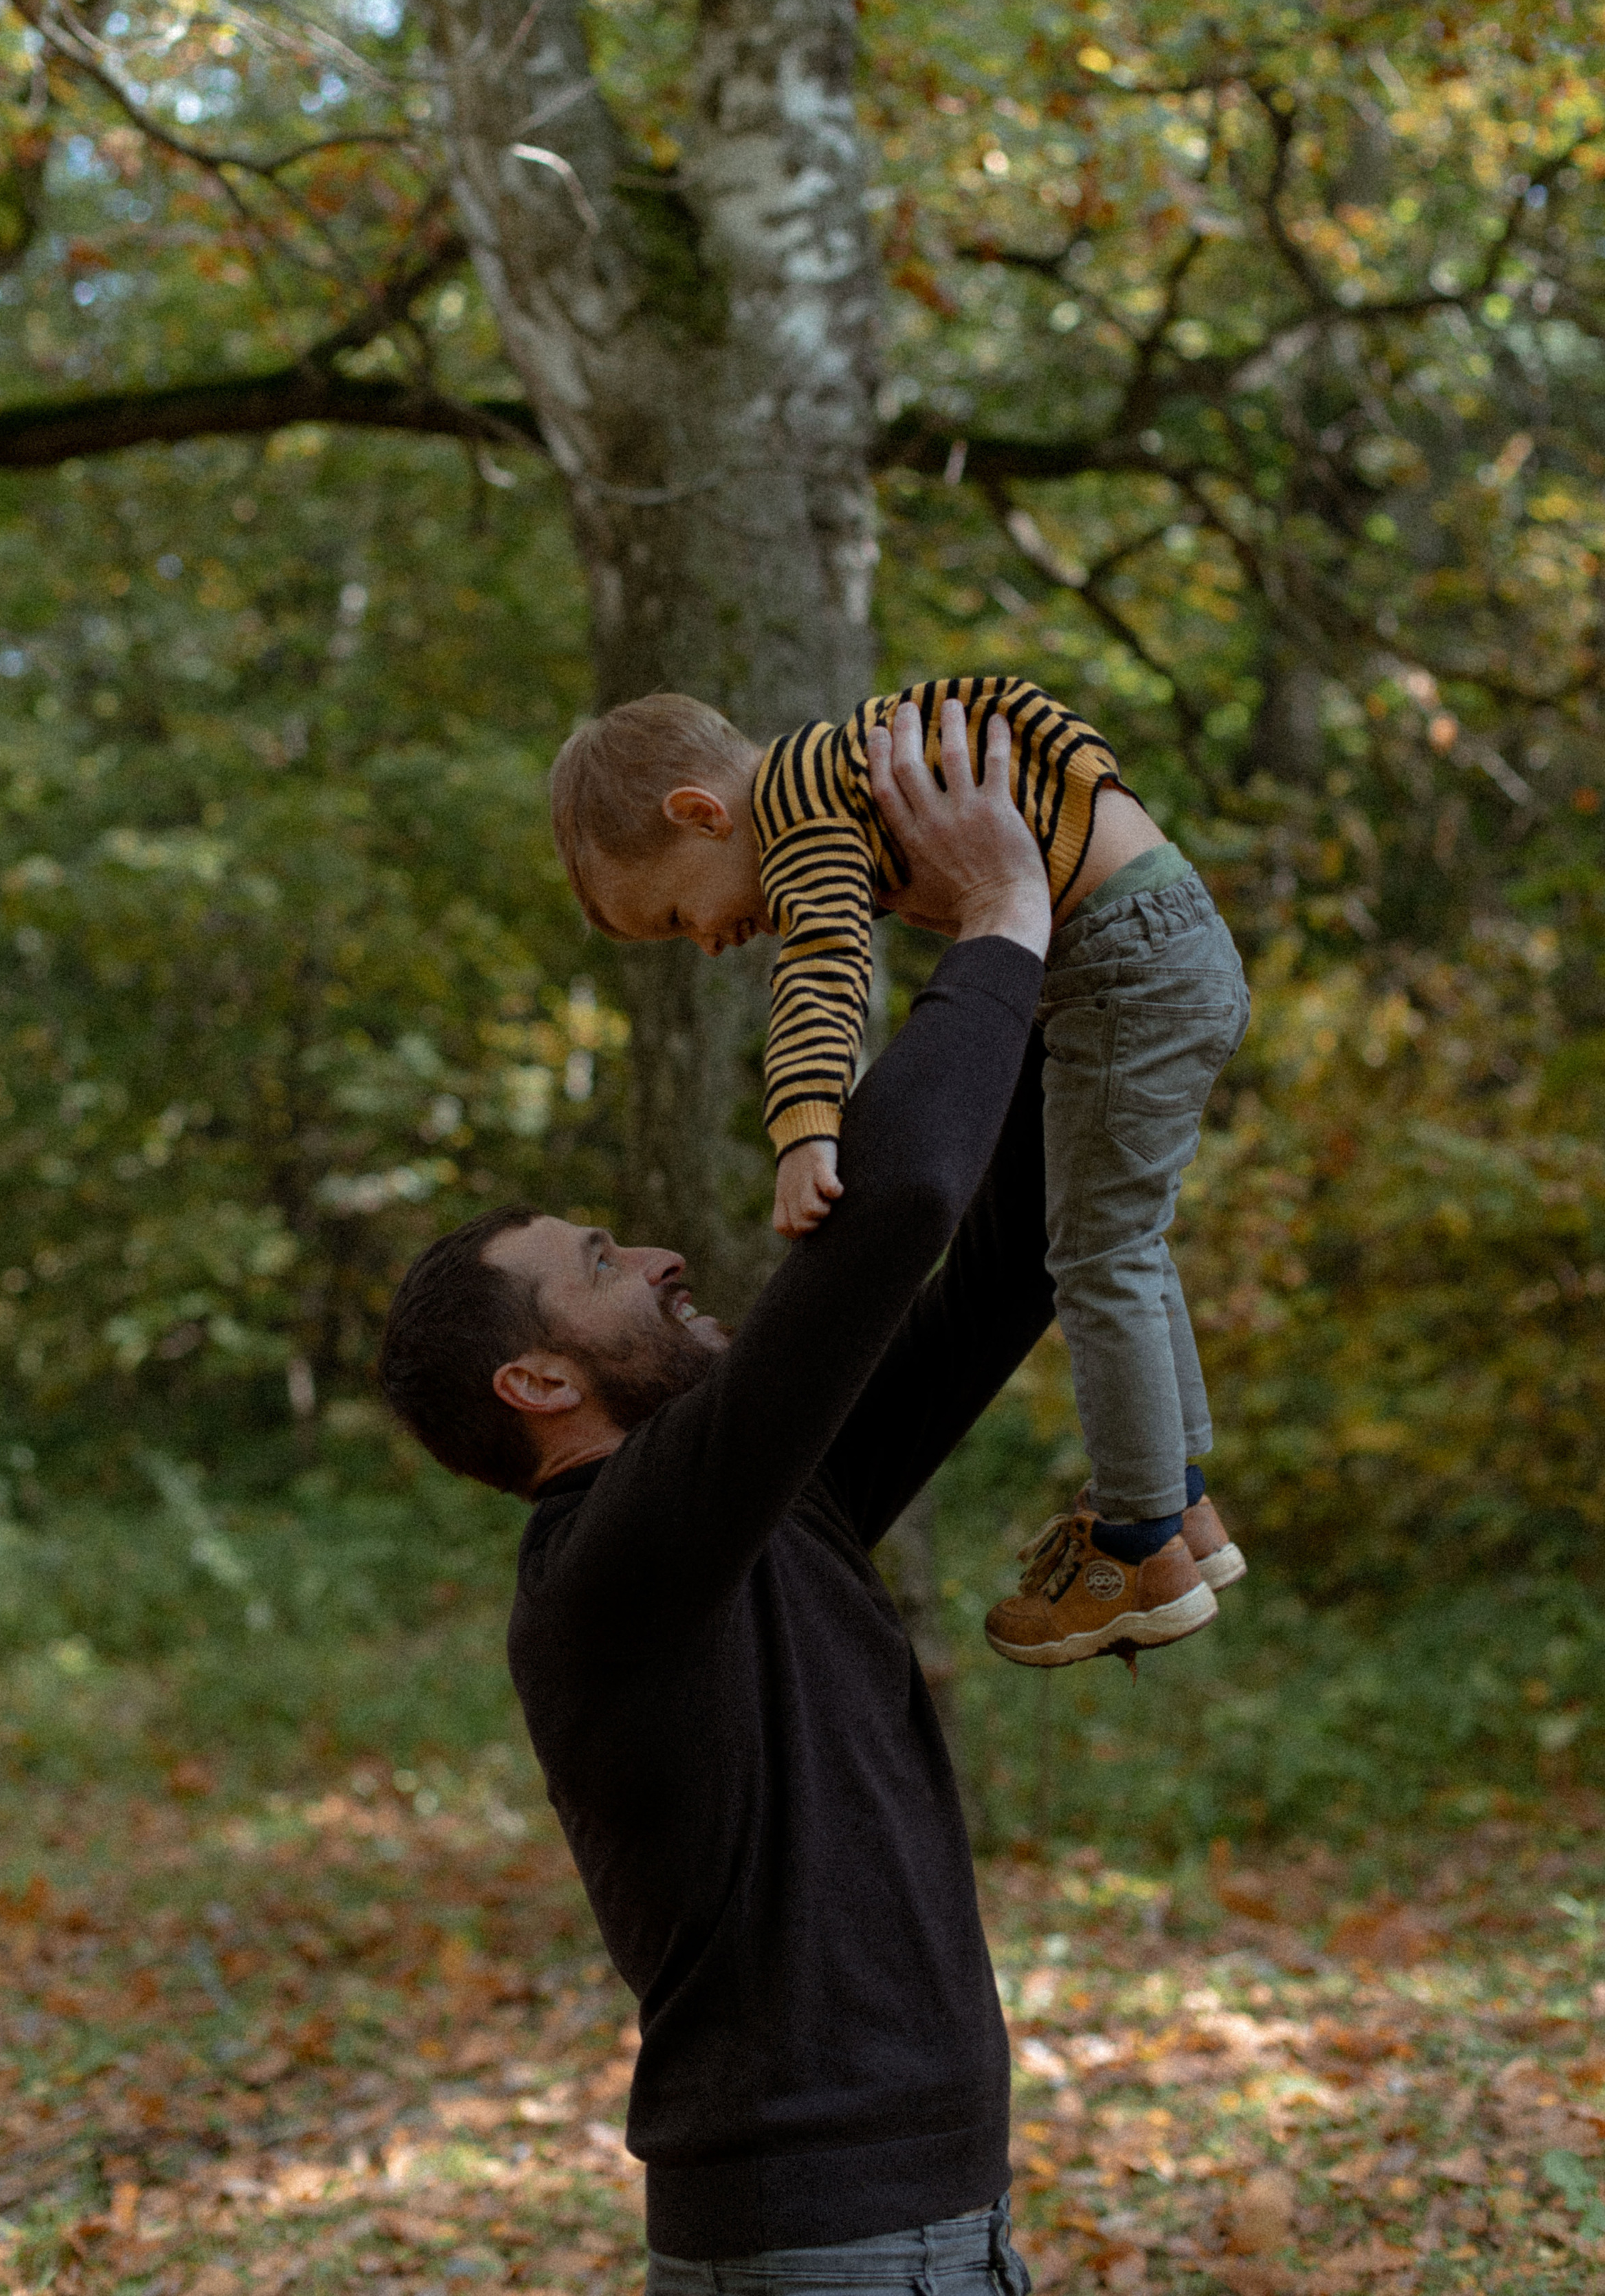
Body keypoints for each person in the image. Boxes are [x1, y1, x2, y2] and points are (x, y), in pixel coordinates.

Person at [382, 706, 1059, 2296]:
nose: (662, 1257)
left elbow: (1002, 1261)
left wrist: (1066, 959)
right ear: (536, 1384)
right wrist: (994, 921)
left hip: (901, 2226)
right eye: (600, 1269)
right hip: (827, 2247)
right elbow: (888, 1205)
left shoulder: (762, 1499)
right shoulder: (609, 1570)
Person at [547, 679, 1251, 1668]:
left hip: (1120, 965)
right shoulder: (847, 762)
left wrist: (804, 1128)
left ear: (700, 815)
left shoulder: (801, 819)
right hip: (1164, 936)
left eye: (675, 914)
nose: (707, 943)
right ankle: (1180, 1508)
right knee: (1121, 1241)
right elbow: (1018, 704)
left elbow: (826, 968)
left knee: (1100, 1255)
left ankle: (1136, 1545)